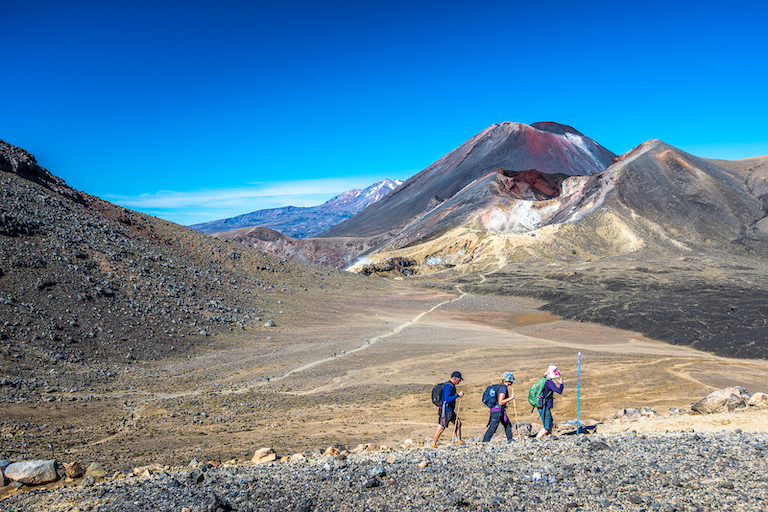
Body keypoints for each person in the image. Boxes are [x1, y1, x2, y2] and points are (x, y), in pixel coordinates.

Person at [431, 371, 464, 447]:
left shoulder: (451, 385)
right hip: (445, 410)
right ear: (455, 378)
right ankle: (433, 444)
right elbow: (447, 399)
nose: (459, 381)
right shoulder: (448, 386)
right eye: (459, 379)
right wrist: (458, 395)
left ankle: (459, 441)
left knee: (458, 423)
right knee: (441, 428)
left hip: (450, 410)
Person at [482, 372, 516, 443]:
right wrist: (511, 398)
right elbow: (500, 401)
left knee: (507, 424)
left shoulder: (501, 387)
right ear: (509, 381)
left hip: (497, 410)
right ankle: (484, 442)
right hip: (498, 411)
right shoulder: (503, 388)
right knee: (493, 427)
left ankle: (510, 439)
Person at [536, 365, 564, 438]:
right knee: (546, 427)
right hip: (545, 406)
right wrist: (561, 384)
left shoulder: (544, 380)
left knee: (550, 423)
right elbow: (559, 391)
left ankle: (549, 437)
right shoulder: (549, 383)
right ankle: (537, 439)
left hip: (542, 405)